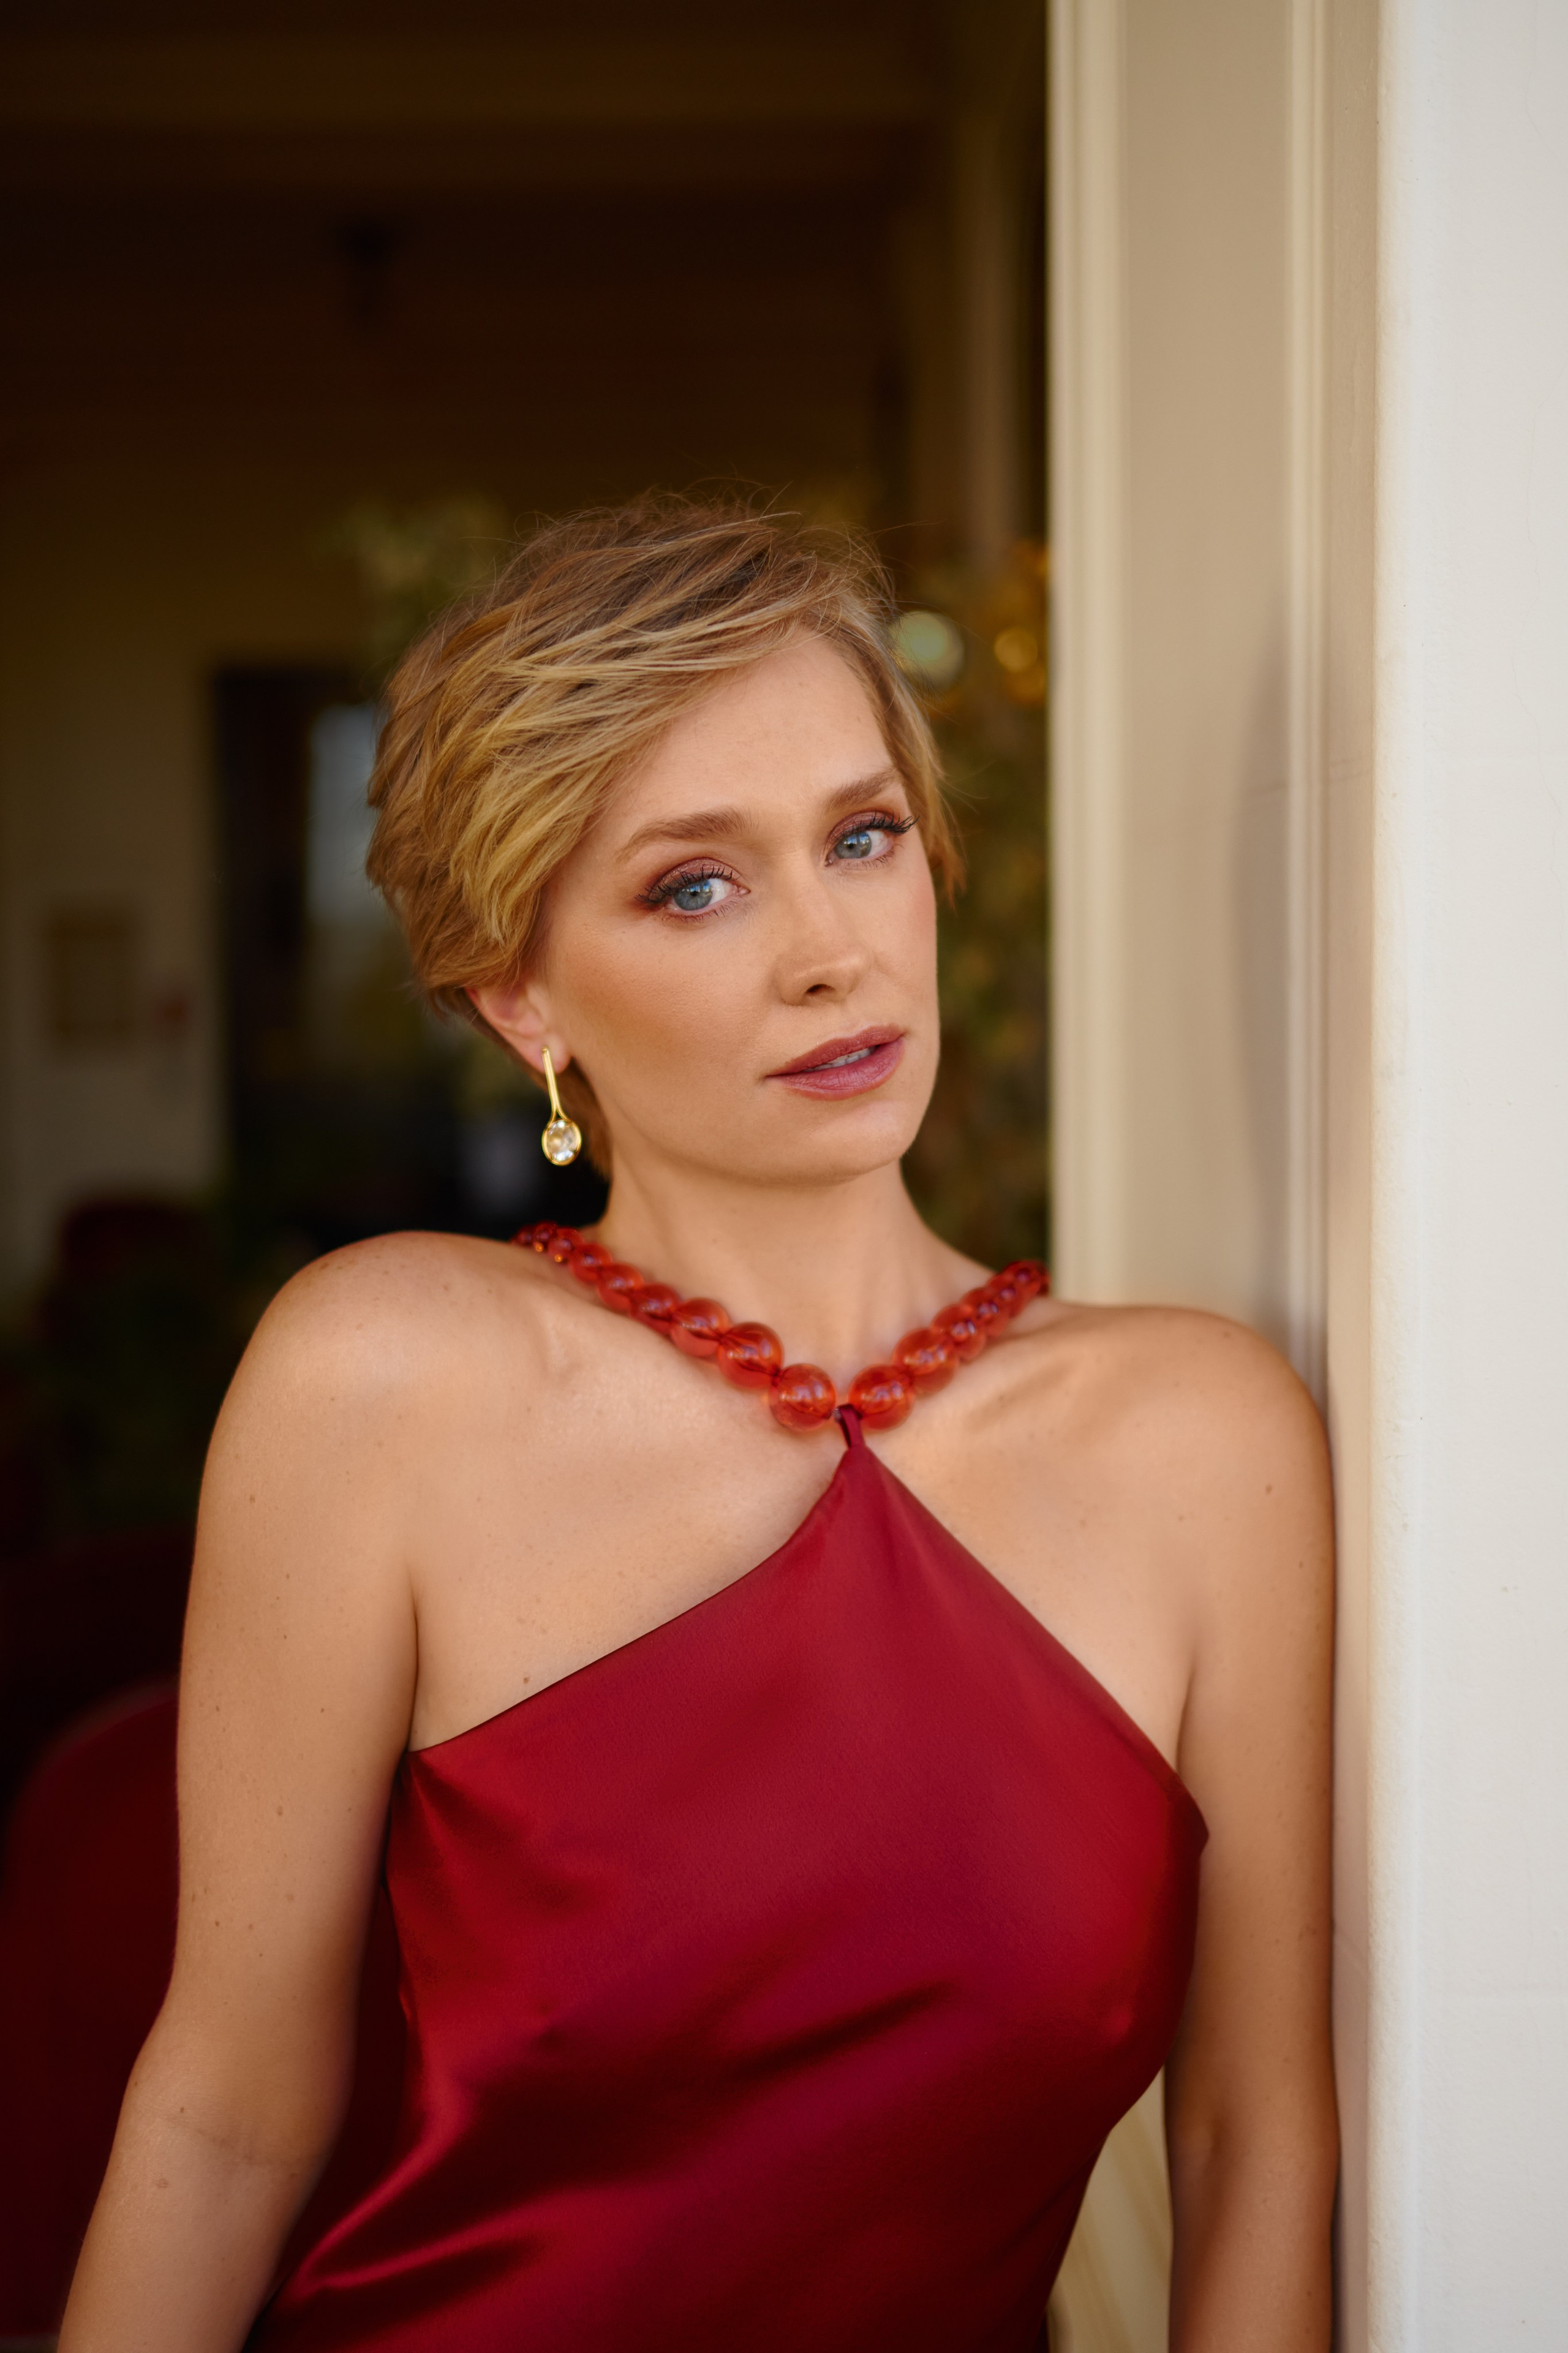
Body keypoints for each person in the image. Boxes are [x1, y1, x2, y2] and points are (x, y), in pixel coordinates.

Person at [61, 497, 1336, 2352]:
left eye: (862, 835)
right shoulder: (381, 1381)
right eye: (695, 883)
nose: (831, 952)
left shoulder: (1207, 1439)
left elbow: (1258, 2135)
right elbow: (228, 2104)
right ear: (520, 991)